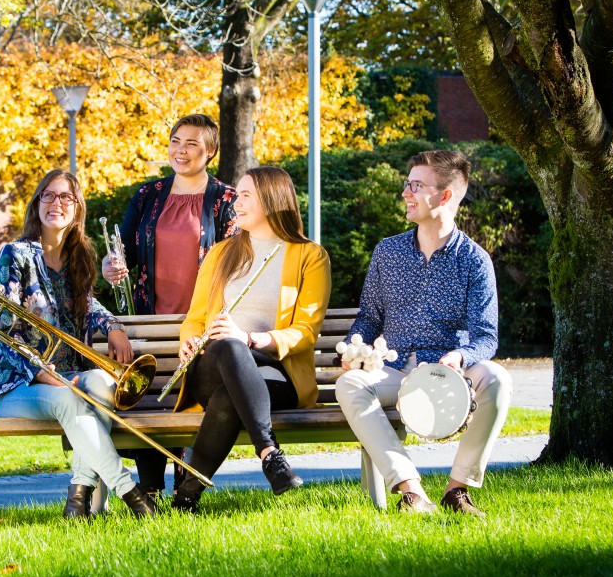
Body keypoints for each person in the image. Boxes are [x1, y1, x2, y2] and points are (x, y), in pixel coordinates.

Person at [335, 150, 512, 517]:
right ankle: (410, 491)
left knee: (496, 378)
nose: (406, 193)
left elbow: (486, 336)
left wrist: (461, 356)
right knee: (348, 384)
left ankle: (458, 489)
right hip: (394, 368)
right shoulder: (387, 252)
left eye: (416, 185)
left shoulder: (475, 261)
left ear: (444, 196)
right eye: (407, 184)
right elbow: (370, 317)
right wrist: (354, 350)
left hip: (447, 372)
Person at [0, 169, 158, 519]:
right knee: (72, 397)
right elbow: (8, 324)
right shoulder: (16, 254)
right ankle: (131, 492)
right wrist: (42, 372)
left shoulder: (78, 257)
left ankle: (82, 500)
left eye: (66, 197)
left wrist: (112, 327)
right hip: (17, 384)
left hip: (71, 377)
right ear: (37, 204)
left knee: (100, 383)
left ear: (77, 208)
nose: (56, 203)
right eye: (48, 195)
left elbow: (87, 303)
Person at [169, 166, 331, 513]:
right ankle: (270, 453)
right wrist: (189, 339)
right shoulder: (220, 254)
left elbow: (305, 331)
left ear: (271, 200)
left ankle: (186, 496)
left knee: (231, 391)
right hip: (212, 366)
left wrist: (252, 338)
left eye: (245, 195)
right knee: (228, 344)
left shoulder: (309, 256)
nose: (235, 202)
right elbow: (195, 318)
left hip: (273, 373)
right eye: (236, 194)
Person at [101, 113, 237, 496]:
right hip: (150, 318)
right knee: (151, 395)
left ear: (210, 151)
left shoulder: (226, 200)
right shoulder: (148, 196)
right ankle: (149, 487)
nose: (181, 150)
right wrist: (111, 265)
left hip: (201, 322)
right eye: (176, 140)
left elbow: (235, 261)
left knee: (191, 399)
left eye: (192, 143)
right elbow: (121, 250)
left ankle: (186, 485)